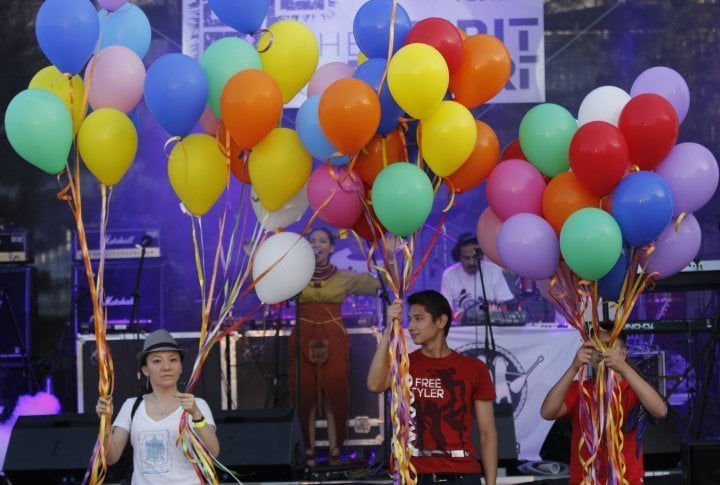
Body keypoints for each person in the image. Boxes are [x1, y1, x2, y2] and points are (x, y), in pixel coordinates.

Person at [367, 290, 498, 485]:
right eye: (409, 319)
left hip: (463, 475)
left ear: (441, 322)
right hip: (415, 475)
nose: (411, 327)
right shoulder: (405, 364)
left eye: (418, 319)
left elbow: (487, 433)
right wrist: (389, 329)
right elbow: (375, 385)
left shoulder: (474, 368)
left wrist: (491, 483)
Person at [291, 227, 381, 467]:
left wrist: (389, 256)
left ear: (331, 248)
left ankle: (335, 453)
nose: (316, 244)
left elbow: (377, 285)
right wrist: (252, 258)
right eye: (312, 241)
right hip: (303, 338)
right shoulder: (294, 276)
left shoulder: (343, 276)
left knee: (336, 395)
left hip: (333, 339)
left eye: (322, 241)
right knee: (305, 397)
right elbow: (266, 283)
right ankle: (307, 454)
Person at [540, 325, 667, 485]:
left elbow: (660, 411)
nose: (601, 351)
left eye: (607, 345)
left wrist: (624, 368)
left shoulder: (633, 388)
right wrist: (573, 367)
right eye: (596, 347)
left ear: (623, 353)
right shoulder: (580, 389)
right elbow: (547, 412)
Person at [95, 329, 219, 484]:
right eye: (157, 361)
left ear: (180, 367)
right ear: (145, 370)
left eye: (173, 360)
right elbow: (111, 457)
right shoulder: (132, 406)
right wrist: (105, 422)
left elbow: (213, 453)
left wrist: (196, 415)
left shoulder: (196, 404)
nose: (166, 367)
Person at [440, 233, 515, 325]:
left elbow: (505, 304)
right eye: (466, 258)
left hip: (493, 327)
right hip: (463, 330)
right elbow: (443, 310)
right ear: (458, 257)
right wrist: (458, 315)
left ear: (481, 255)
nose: (472, 262)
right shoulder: (449, 275)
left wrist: (499, 314)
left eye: (475, 257)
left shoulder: (494, 271)